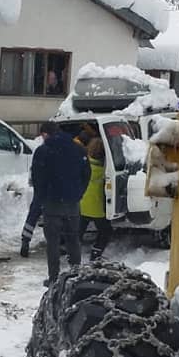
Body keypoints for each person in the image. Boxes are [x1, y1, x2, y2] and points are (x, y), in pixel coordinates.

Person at [30, 120, 90, 285]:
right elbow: (86, 174)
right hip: (72, 204)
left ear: (45, 134)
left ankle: (54, 278)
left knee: (53, 242)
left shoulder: (43, 151)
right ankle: (76, 274)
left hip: (51, 204)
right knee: (73, 240)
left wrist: (42, 197)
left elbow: (37, 178)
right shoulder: (78, 149)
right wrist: (78, 193)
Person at [79, 137, 113, 261]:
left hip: (82, 206)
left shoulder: (83, 164)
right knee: (105, 231)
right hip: (98, 208)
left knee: (78, 231)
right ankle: (96, 253)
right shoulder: (105, 169)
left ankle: (72, 252)